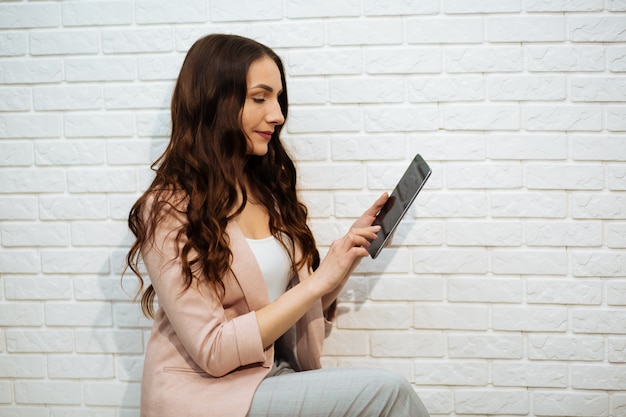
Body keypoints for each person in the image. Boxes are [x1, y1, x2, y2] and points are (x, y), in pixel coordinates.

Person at [125, 33, 430, 417]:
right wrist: (319, 280)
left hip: (270, 377)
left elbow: (289, 314)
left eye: (277, 99)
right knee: (389, 392)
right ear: (215, 102)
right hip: (205, 397)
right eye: (259, 98)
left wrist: (344, 261)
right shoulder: (168, 210)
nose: (278, 114)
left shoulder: (265, 190)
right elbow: (214, 351)